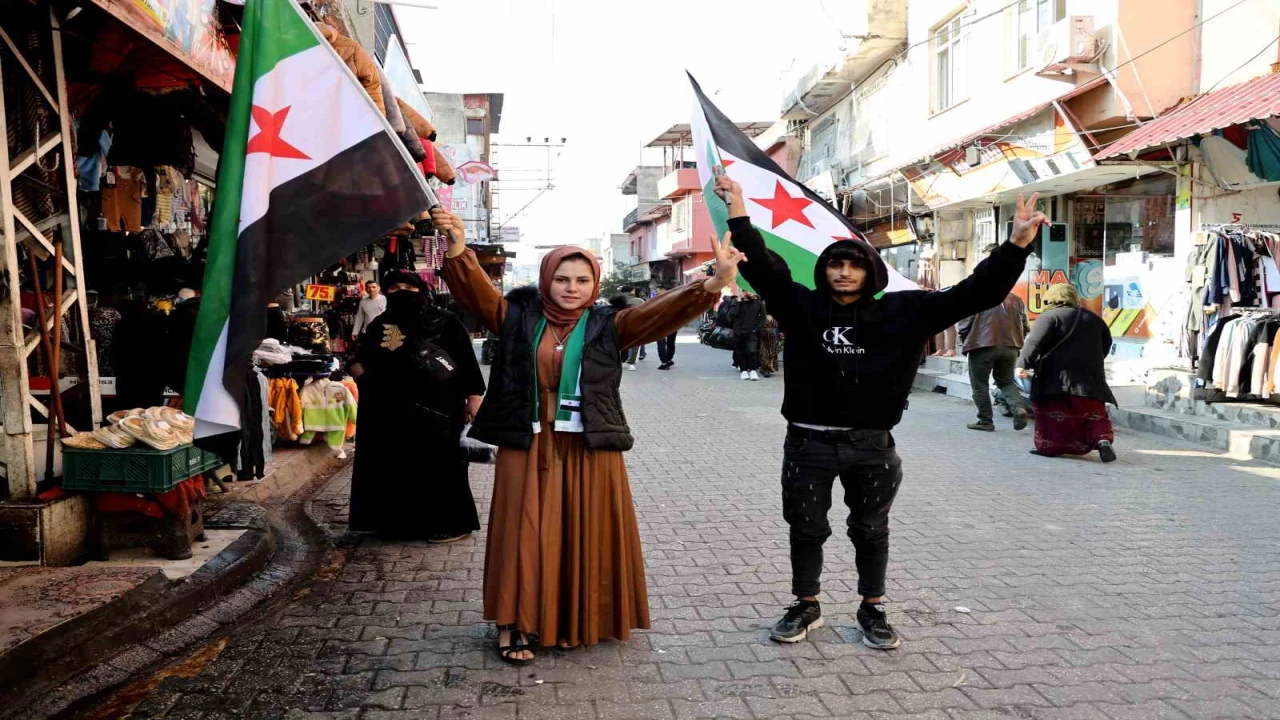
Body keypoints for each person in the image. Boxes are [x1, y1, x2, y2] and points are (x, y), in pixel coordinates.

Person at [714, 174, 1042, 649]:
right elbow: (766, 270)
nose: (844, 273)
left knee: (870, 529)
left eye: (854, 265)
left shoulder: (906, 311)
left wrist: (1014, 246)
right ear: (823, 272)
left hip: (871, 446)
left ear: (870, 272)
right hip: (808, 443)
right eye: (835, 265)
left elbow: (975, 293)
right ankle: (806, 604)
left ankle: (873, 609)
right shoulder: (799, 307)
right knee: (806, 527)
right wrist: (739, 211)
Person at [436, 206, 739, 665]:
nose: (572, 289)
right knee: (522, 531)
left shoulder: (607, 325)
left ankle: (580, 618)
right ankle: (513, 622)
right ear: (546, 281)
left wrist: (712, 284)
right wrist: (458, 247)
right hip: (527, 440)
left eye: (581, 280)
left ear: (593, 284)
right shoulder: (517, 318)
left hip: (589, 443)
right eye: (562, 279)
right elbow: (478, 295)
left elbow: (660, 312)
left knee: (586, 527)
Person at [347, 270, 486, 543]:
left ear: (422, 289)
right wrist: (364, 380)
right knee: (397, 465)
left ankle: (454, 524)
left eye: (408, 287)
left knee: (442, 465)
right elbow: (358, 357)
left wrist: (474, 399)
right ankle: (400, 524)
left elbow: (467, 362)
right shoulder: (381, 324)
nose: (401, 292)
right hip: (391, 409)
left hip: (441, 407)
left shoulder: (445, 322)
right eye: (395, 288)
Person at [1016, 283, 1118, 462]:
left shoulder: (1049, 316)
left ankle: (1050, 447)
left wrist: (1022, 365)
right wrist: (1092, 360)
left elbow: (1034, 343)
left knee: (1054, 414)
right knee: (1093, 414)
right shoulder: (1094, 318)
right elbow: (1106, 344)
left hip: (1056, 378)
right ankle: (1102, 440)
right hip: (1090, 379)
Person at [958, 252, 1031, 432]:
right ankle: (1018, 408)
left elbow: (964, 324)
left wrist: (964, 341)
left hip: (982, 346)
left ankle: (985, 420)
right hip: (1010, 347)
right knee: (1005, 381)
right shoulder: (1016, 299)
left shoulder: (977, 295)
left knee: (979, 384)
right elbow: (1025, 326)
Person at [732, 291, 767, 380]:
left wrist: (756, 329)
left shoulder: (758, 303)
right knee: (741, 352)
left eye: (750, 291)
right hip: (739, 332)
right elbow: (731, 316)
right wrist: (739, 303)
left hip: (752, 331)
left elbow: (763, 317)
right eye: (746, 291)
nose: (749, 293)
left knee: (751, 351)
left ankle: (753, 370)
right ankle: (744, 371)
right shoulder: (737, 303)